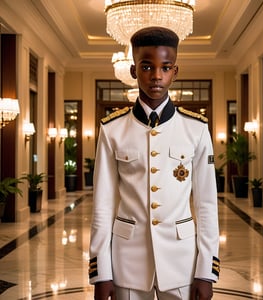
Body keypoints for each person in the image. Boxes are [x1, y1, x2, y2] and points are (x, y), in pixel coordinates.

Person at [89, 26, 220, 300]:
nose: (156, 76)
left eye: (165, 67)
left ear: (175, 71)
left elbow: (206, 204)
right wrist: (101, 272)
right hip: (127, 263)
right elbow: (101, 204)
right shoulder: (112, 130)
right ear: (134, 70)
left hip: (182, 262)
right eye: (147, 67)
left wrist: (206, 270)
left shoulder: (196, 129)